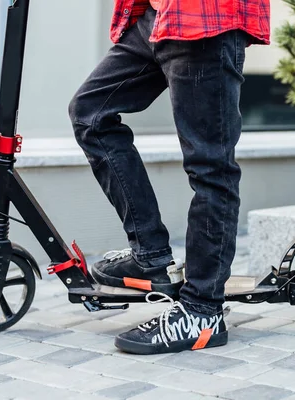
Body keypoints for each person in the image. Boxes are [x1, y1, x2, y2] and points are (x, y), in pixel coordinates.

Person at [68, 0, 270, 354]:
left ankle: (202, 310)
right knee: (90, 114)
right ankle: (150, 255)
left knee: (210, 167)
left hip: (206, 20)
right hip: (154, 18)